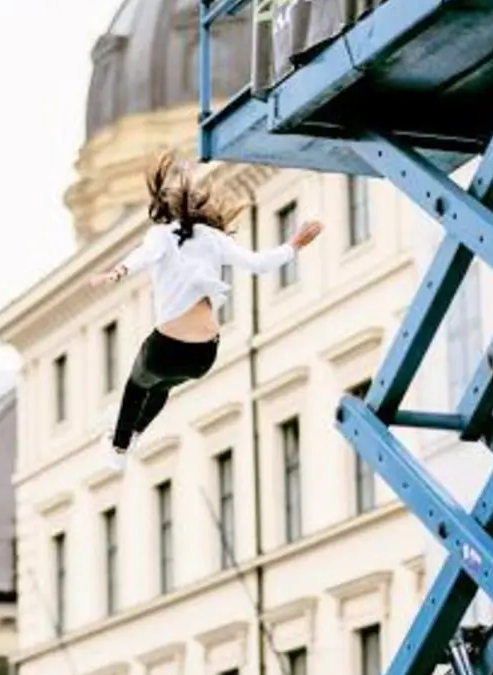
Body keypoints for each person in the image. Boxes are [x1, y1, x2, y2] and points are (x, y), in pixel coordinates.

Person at [88, 153, 322, 471]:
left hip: (166, 348)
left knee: (137, 384)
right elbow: (259, 263)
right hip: (203, 358)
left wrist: (114, 274)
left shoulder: (161, 236)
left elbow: (141, 257)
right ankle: (135, 431)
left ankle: (119, 445)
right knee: (162, 386)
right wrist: (294, 244)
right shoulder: (214, 238)